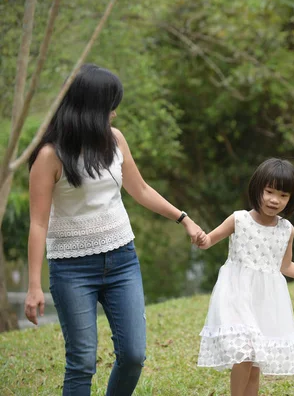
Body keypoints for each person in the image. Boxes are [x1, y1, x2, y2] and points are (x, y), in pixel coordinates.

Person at [24, 64, 205, 396]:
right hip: (71, 268)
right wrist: (34, 286)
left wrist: (184, 219)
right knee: (81, 361)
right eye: (109, 105)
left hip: (122, 260)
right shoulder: (50, 156)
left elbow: (141, 190)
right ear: (88, 109)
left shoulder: (114, 141)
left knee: (134, 355)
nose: (115, 112)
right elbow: (37, 223)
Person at [195, 158, 294, 396]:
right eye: (269, 191)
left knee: (254, 361)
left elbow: (285, 265)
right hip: (236, 293)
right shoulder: (239, 219)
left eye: (283, 195)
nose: (275, 200)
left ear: (291, 198)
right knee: (244, 351)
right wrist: (201, 238)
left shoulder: (286, 229)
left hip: (266, 300)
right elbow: (209, 240)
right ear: (257, 188)